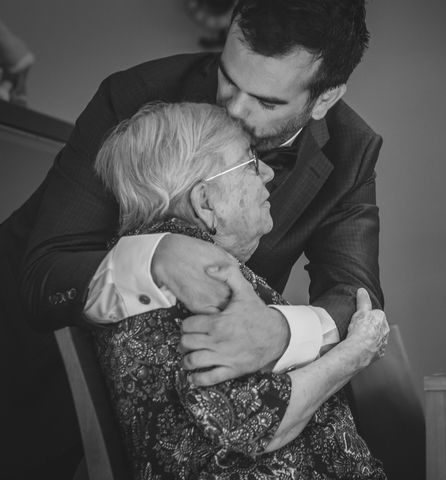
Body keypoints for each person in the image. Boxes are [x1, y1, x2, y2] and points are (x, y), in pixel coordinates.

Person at [92, 101, 388, 479]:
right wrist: (355, 353)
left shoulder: (167, 261)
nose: (266, 172)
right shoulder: (199, 275)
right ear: (206, 202)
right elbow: (256, 421)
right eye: (250, 163)